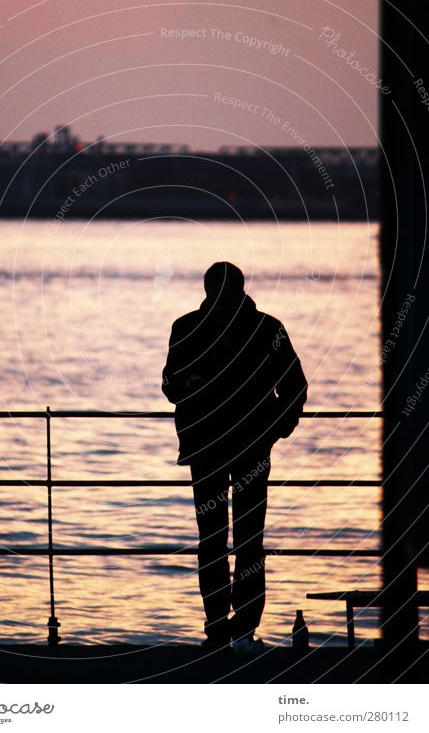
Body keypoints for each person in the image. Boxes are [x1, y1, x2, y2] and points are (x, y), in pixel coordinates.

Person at [162, 261, 307, 654]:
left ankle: (228, 629)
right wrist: (277, 427)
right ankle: (234, 630)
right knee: (240, 540)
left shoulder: (191, 327)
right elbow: (171, 384)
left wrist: (276, 429)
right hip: (236, 447)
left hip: (218, 447)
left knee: (223, 540)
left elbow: (171, 385)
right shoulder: (264, 329)